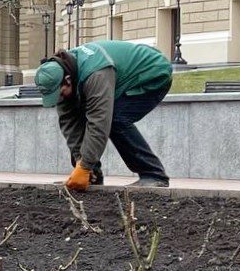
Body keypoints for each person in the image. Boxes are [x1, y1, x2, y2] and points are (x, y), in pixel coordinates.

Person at [34, 40, 174, 190]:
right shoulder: (62, 76)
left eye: (59, 93)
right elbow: (70, 126)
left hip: (152, 72)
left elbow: (99, 122)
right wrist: (81, 164)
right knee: (86, 115)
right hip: (119, 78)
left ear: (67, 81)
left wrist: (85, 166)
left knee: (115, 119)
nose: (59, 99)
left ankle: (153, 175)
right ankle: (94, 176)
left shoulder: (95, 74)